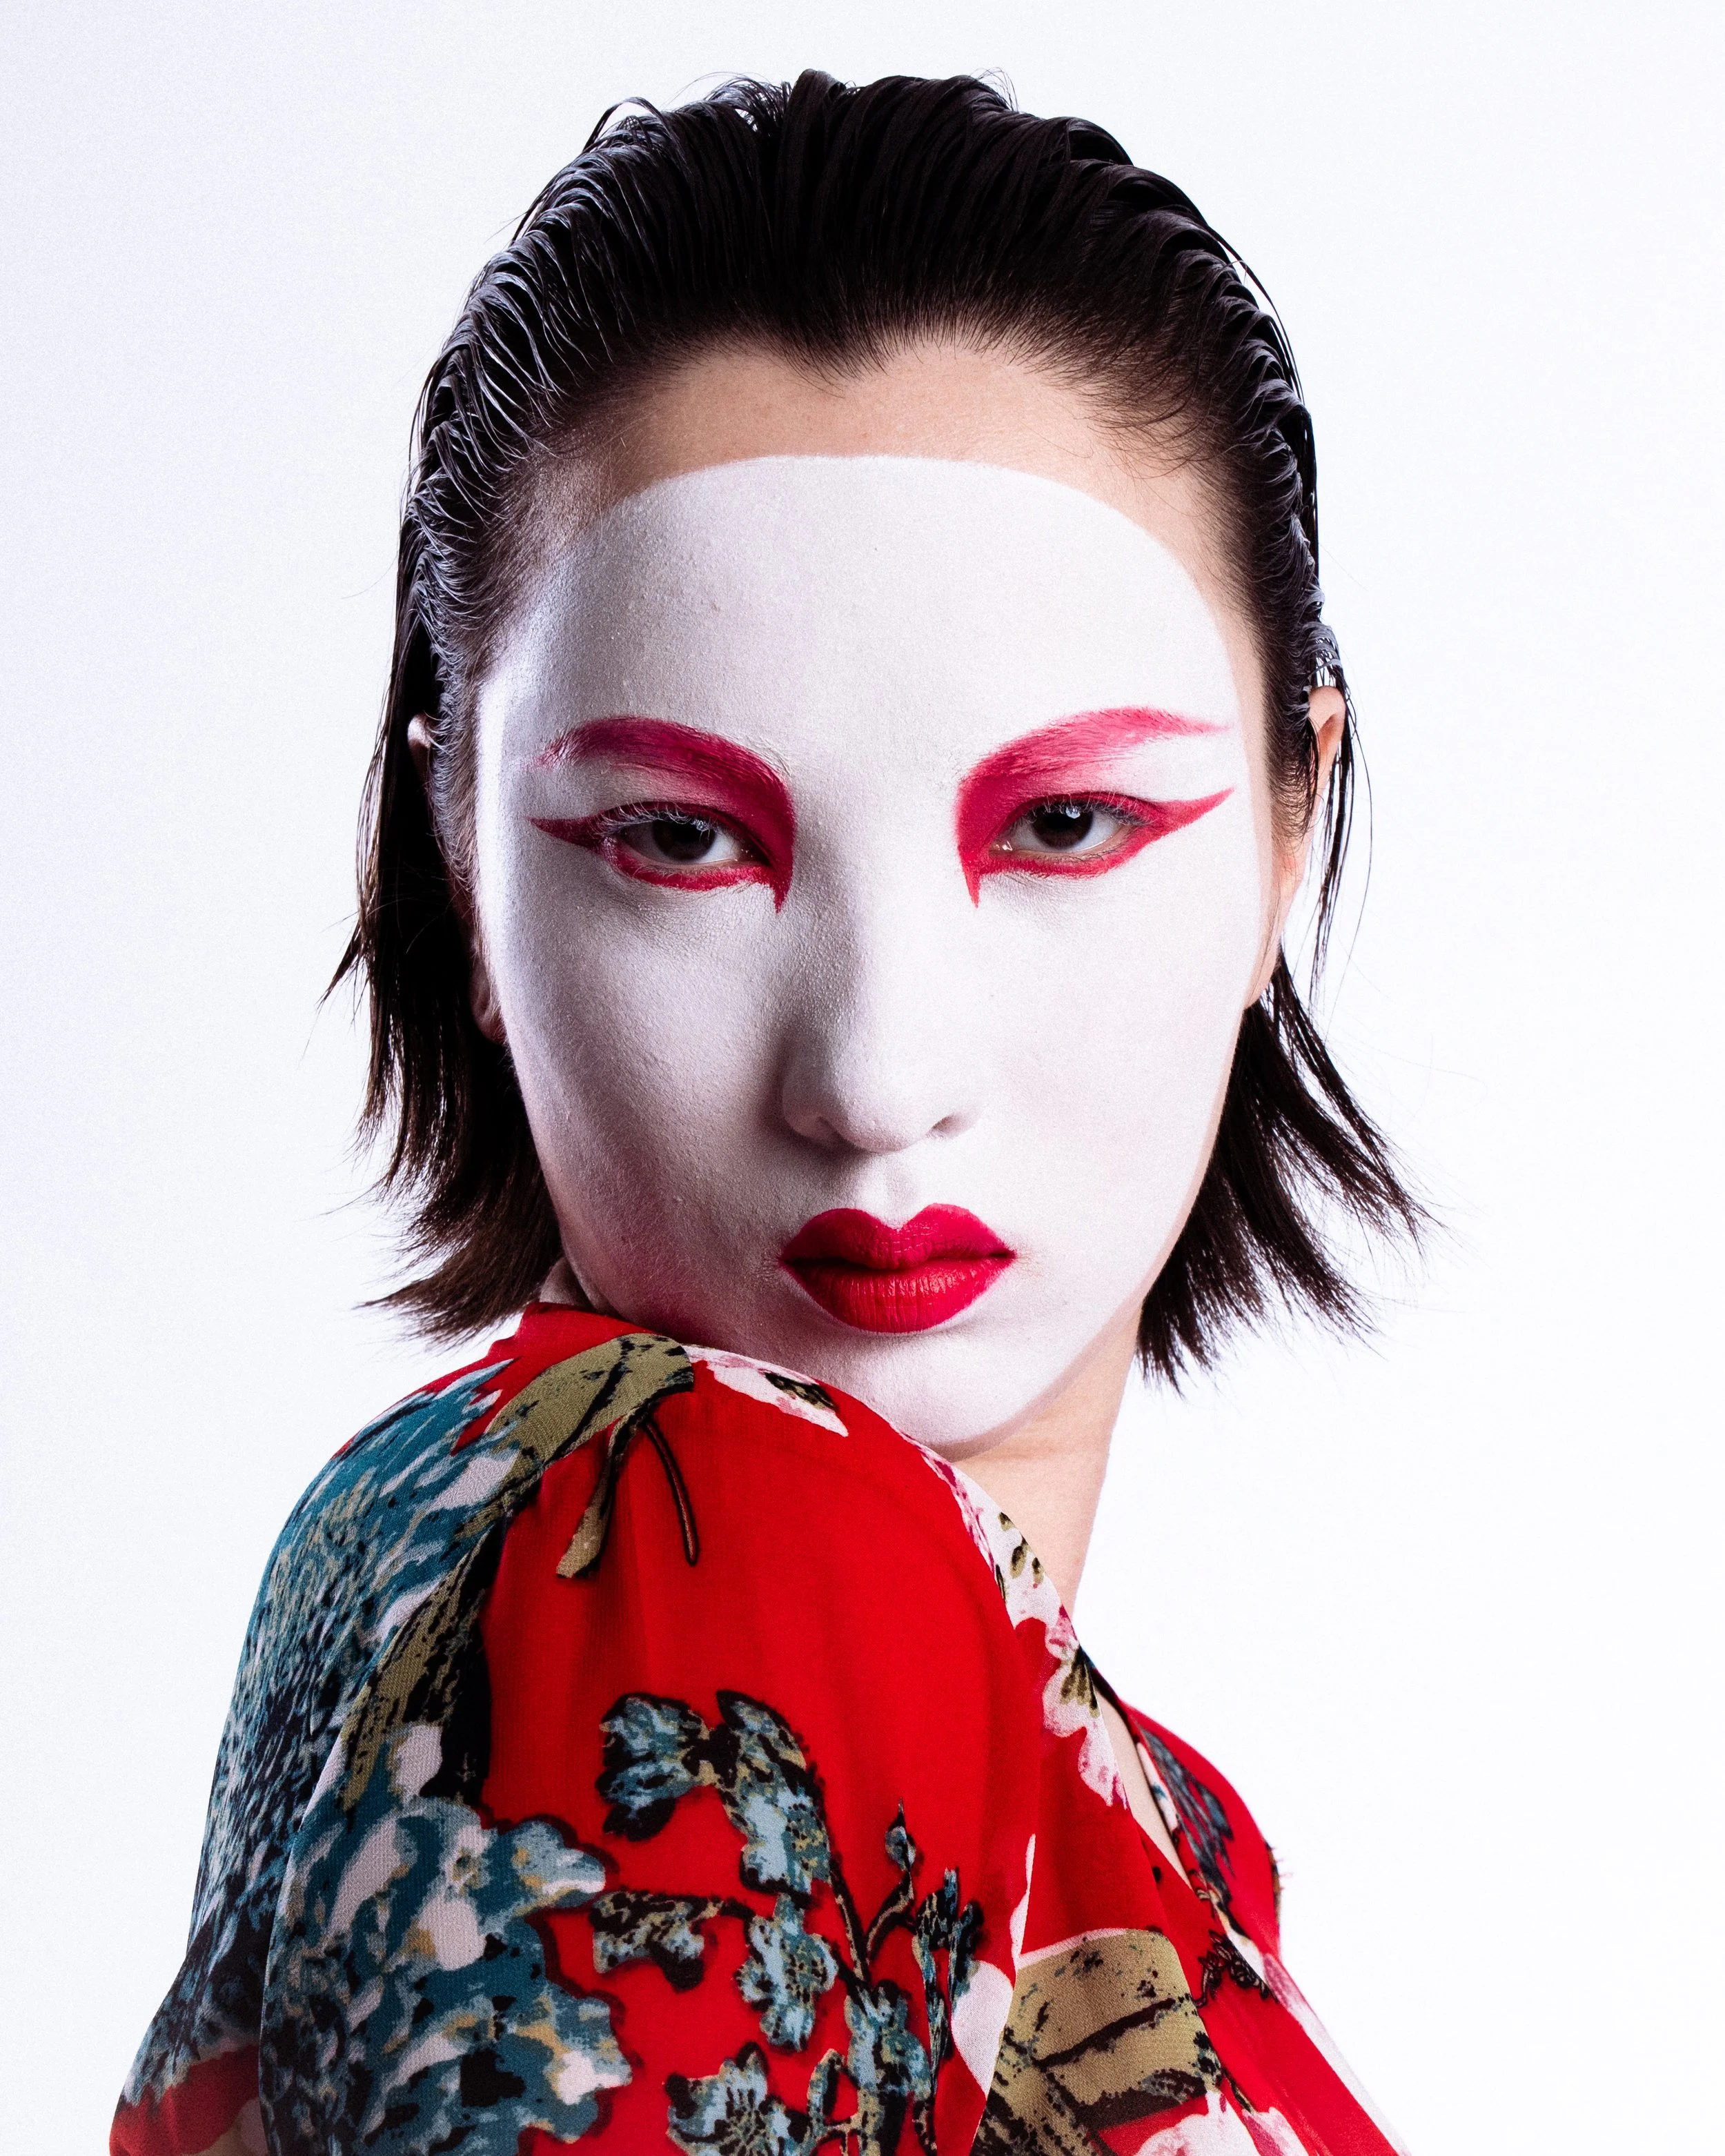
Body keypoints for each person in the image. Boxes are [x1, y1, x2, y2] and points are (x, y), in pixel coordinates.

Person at [114, 71, 1421, 2156]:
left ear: (1290, 823)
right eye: (682, 840)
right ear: (455, 857)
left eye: (1065, 822)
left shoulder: (1145, 1834)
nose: (874, 1072)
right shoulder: (684, 1534)